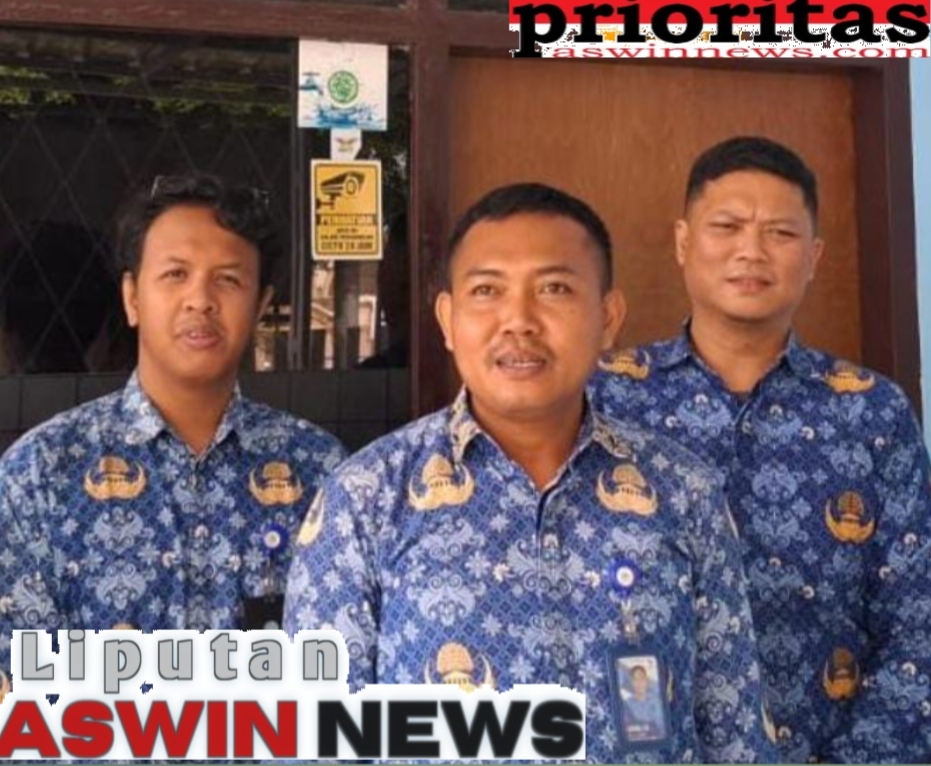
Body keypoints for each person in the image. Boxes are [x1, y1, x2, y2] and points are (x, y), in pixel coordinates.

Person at [285, 182, 778, 762]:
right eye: (487, 290)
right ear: (448, 320)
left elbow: (734, 732)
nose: (518, 321)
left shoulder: (683, 490)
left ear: (608, 317)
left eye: (554, 289)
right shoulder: (365, 498)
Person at [590, 136, 931, 762]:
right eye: (727, 227)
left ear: (814, 256)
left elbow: (918, 621)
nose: (751, 250)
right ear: (683, 243)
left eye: (780, 233)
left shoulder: (872, 411)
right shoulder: (603, 398)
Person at [0, 174, 346, 699]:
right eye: (175, 274)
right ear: (132, 297)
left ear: (260, 305)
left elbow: (341, 673)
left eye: (228, 279)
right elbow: (16, 683)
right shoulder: (41, 473)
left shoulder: (321, 473)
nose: (200, 300)